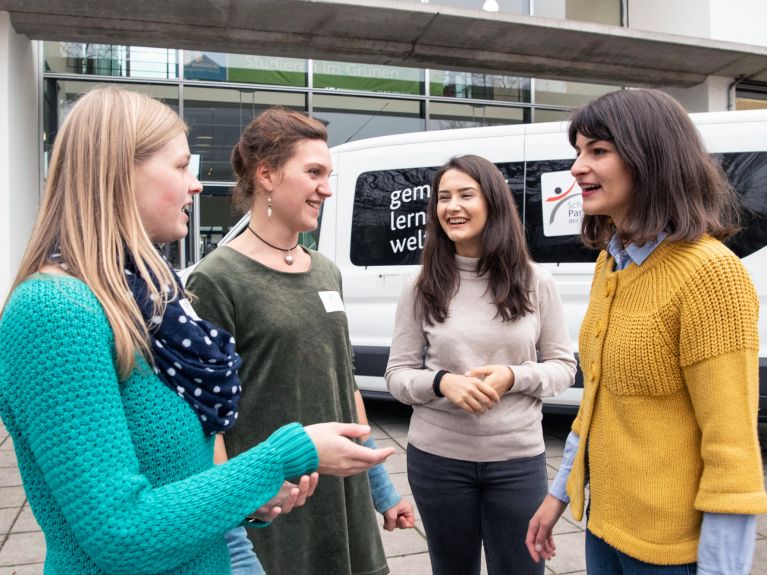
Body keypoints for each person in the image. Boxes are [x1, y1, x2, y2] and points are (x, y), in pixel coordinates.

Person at [0, 86, 394, 575]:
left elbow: (181, 478)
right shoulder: (54, 313)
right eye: (182, 166)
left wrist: (250, 498)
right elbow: (121, 532)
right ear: (119, 173)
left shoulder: (148, 302)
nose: (197, 185)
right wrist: (282, 458)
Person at [525, 88, 767, 574]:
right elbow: (597, 402)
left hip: (671, 554)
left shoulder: (710, 272)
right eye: (578, 152)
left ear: (651, 157)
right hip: (604, 529)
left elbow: (731, 446)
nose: (576, 168)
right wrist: (558, 494)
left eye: (598, 150)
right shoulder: (610, 264)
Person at [186, 106, 415, 575]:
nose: (326, 188)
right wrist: (232, 532)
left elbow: (344, 386)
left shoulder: (327, 270)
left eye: (328, 174)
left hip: (343, 499)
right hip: (276, 504)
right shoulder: (216, 279)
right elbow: (207, 425)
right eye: (313, 172)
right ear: (267, 175)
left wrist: (382, 490)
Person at [384, 154, 576, 575]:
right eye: (443, 197)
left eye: (465, 195)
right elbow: (396, 376)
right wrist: (441, 383)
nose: (452, 206)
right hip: (437, 460)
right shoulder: (419, 285)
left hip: (517, 459)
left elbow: (563, 367)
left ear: (492, 202)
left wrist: (514, 376)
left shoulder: (535, 280)